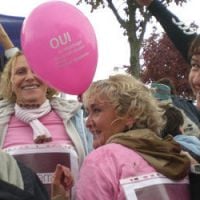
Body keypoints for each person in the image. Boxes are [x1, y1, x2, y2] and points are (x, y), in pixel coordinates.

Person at [72, 74, 190, 199]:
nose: (87, 123)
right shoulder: (176, 157)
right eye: (88, 112)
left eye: (96, 110)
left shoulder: (102, 160)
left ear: (129, 115)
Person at [0, 51, 92, 199]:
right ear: (10, 81)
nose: (29, 77)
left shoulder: (75, 119)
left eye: (37, 71)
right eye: (20, 72)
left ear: (49, 79)